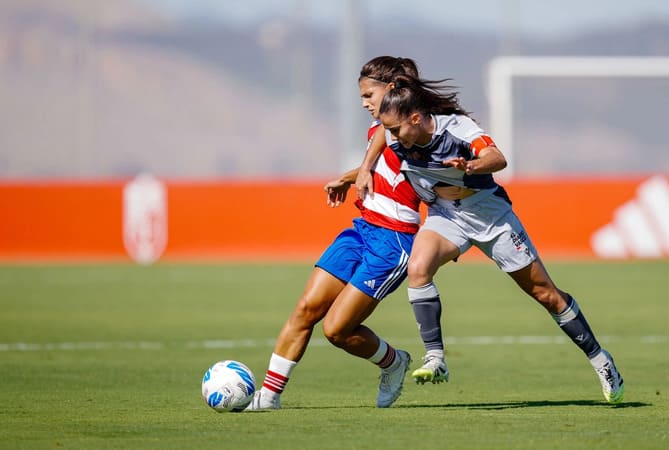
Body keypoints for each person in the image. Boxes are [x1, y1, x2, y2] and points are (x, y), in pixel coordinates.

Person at [377, 73, 625, 404]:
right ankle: (435, 358)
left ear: (416, 118)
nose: (391, 137)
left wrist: (470, 166)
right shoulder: (396, 136)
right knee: (418, 268)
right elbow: (380, 138)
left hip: (489, 214)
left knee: (546, 295)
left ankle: (601, 360)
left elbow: (498, 159)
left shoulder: (457, 128)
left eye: (395, 129)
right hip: (446, 215)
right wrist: (362, 171)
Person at [246, 56, 422, 410]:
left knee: (337, 331)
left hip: (394, 242)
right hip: (362, 230)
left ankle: (394, 362)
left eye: (368, 94)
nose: (364, 102)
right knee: (305, 309)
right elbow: (384, 151)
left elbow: (396, 138)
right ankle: (268, 397)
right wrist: (349, 176)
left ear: (391, 90)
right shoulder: (378, 128)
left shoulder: (415, 125)